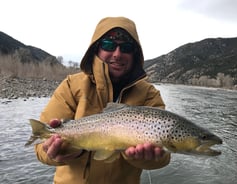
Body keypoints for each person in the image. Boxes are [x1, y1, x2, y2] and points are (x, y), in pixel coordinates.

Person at [35, 16, 171, 184]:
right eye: (108, 45)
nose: (117, 54)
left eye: (126, 47)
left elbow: (164, 157)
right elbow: (40, 148)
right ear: (96, 49)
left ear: (135, 54)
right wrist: (60, 152)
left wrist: (144, 159)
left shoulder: (150, 95)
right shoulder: (71, 86)